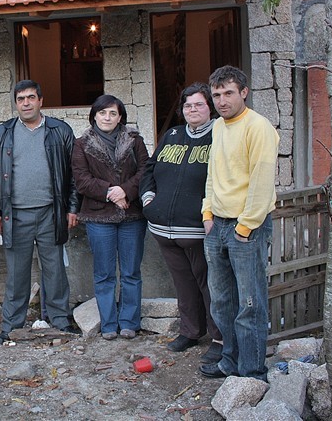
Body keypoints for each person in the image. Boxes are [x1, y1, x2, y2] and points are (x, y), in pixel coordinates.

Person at [0, 80, 80, 344]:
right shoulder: (3, 133)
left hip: (51, 213)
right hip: (15, 216)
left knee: (55, 271)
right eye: (20, 99)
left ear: (40, 100)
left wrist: (72, 208)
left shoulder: (59, 131)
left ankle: (60, 321)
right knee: (17, 274)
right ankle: (11, 326)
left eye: (30, 98)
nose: (25, 103)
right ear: (16, 103)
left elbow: (73, 174)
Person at [199, 66, 278, 381]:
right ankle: (229, 363)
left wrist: (245, 227)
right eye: (216, 95)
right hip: (216, 226)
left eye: (228, 93)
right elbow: (212, 174)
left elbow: (261, 182)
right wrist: (207, 213)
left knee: (250, 305)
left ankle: (253, 371)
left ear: (244, 92)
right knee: (222, 303)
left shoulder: (258, 127)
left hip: (247, 228)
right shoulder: (218, 127)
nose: (222, 100)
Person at [140, 83, 222, 362]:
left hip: (200, 229)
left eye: (199, 104)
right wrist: (149, 200)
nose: (193, 110)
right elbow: (150, 168)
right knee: (183, 284)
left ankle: (219, 337)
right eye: (188, 105)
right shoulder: (173, 134)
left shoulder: (220, 136)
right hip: (163, 229)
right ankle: (190, 331)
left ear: (210, 107)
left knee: (210, 285)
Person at [71, 95, 148, 340]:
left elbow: (146, 170)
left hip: (132, 215)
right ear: (94, 115)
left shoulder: (134, 141)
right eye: (102, 113)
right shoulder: (81, 144)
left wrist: (125, 190)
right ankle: (108, 324)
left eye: (112, 113)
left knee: (130, 272)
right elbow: (81, 180)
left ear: (120, 117)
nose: (107, 117)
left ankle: (129, 322)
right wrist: (110, 193)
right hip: (98, 217)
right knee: (104, 274)